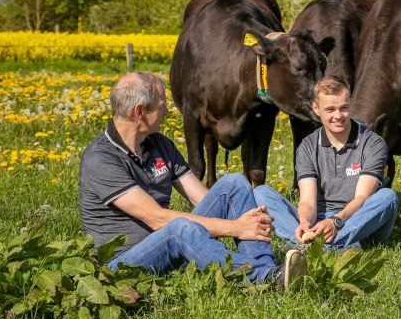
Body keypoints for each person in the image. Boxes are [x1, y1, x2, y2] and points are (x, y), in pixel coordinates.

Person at [78, 71, 307, 290]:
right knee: (179, 228)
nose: (167, 112)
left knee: (234, 184)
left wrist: (243, 221)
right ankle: (263, 278)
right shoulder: (101, 158)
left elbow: (205, 198)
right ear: (139, 112)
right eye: (161, 106)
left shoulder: (160, 144)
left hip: (167, 244)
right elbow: (157, 219)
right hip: (124, 264)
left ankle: (270, 270)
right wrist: (236, 228)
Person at [255, 76, 398, 248]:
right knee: (262, 192)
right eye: (330, 109)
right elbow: (308, 201)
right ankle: (311, 242)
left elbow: (362, 197)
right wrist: (305, 222)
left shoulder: (373, 143)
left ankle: (312, 247)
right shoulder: (307, 146)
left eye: (343, 108)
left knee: (387, 197)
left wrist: (335, 222)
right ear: (316, 108)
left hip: (356, 221)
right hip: (318, 219)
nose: (338, 116)